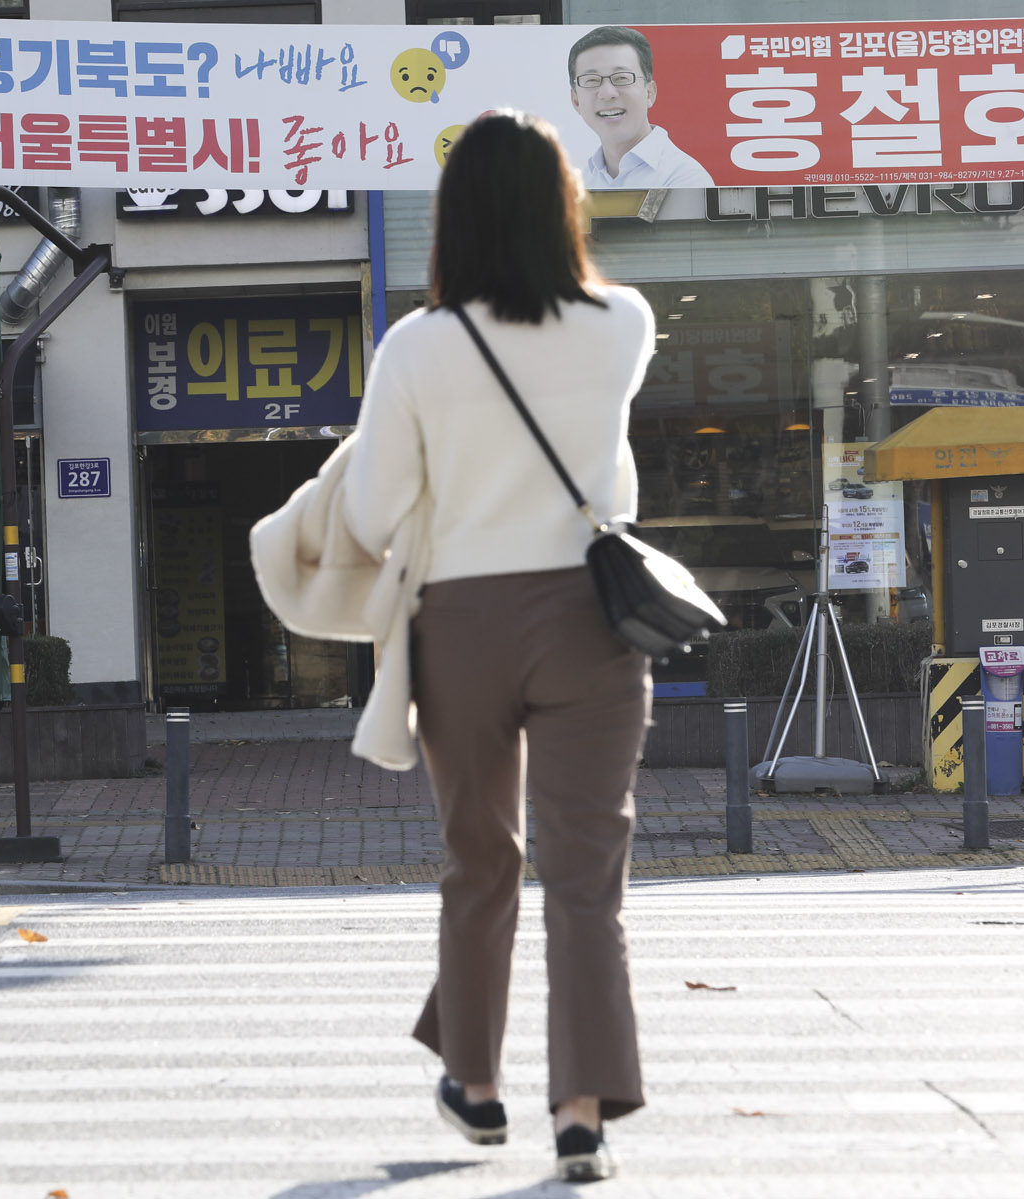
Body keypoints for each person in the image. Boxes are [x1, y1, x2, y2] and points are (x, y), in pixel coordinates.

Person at [339, 110, 657, 1184]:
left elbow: (374, 512)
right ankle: (580, 1116)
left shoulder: (418, 346)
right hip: (588, 617)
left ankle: (473, 1088)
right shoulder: (623, 321)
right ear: (560, 203)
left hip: (462, 623)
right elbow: (609, 470)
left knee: (479, 860)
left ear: (455, 216)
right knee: (584, 877)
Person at [567, 25, 715, 191]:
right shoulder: (578, 185)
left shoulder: (685, 179)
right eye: (592, 80)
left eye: (622, 78)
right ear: (576, 101)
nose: (607, 93)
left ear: (649, 93)